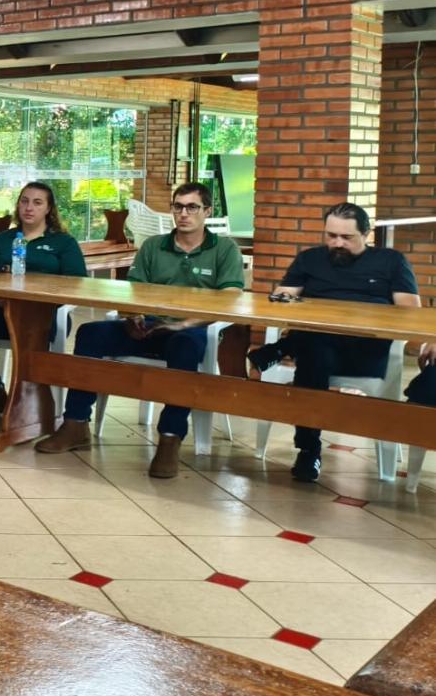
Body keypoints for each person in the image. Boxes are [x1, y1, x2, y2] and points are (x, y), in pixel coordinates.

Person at [36, 182, 245, 479]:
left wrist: (183, 323)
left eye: (192, 207)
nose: (183, 214)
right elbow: (132, 294)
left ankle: (170, 437)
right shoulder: (153, 246)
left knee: (185, 346)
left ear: (207, 211)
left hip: (191, 331)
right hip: (149, 326)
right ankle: (75, 423)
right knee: (90, 334)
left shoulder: (224, 249)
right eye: (178, 207)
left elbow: (228, 301)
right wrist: (132, 316)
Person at [248, 202, 423, 482]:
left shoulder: (390, 261)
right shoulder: (310, 259)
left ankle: (281, 351)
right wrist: (284, 299)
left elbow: (409, 312)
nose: (337, 243)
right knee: (315, 353)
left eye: (346, 237)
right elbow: (282, 297)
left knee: (310, 349)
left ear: (366, 234)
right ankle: (309, 449)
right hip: (318, 348)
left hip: (365, 348)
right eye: (331, 236)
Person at [0, 182, 87, 422]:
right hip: (2, 310)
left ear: (49, 209)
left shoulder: (63, 243)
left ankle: (27, 401)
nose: (29, 208)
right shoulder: (4, 239)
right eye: (24, 201)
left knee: (31, 335)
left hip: (45, 315)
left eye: (37, 203)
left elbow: (78, 284)